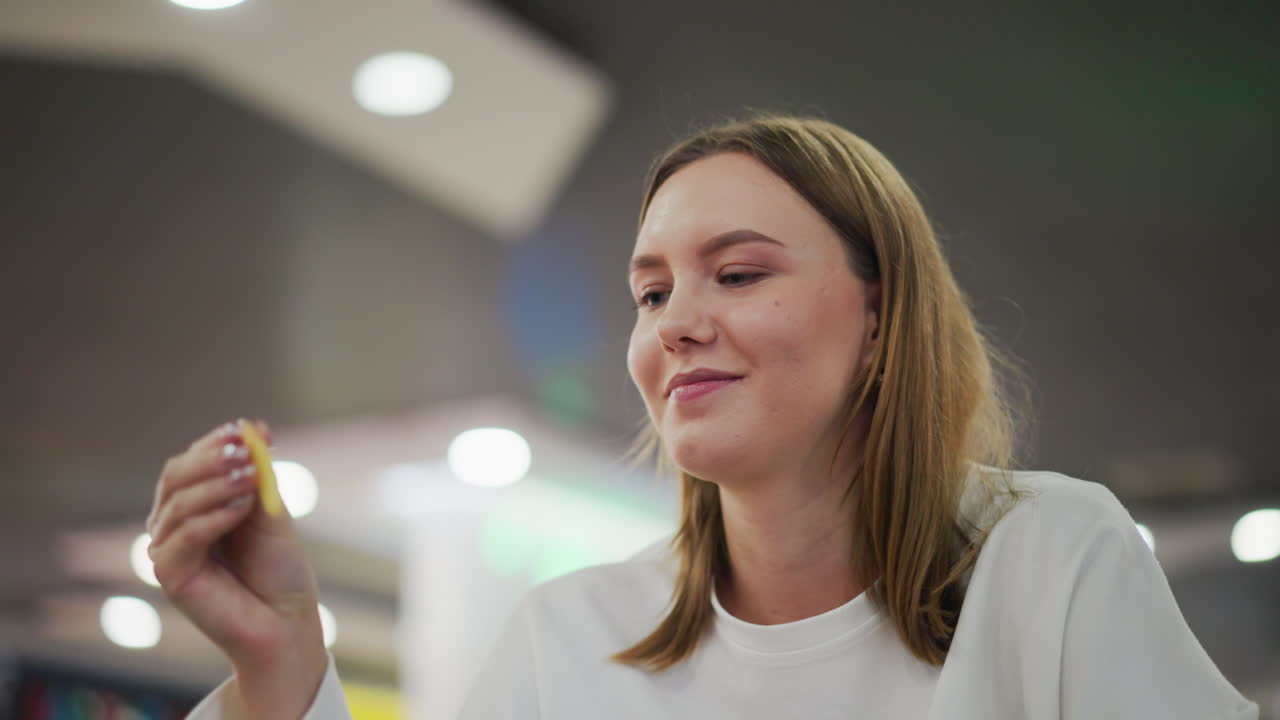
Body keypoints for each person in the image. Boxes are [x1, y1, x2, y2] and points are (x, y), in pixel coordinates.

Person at [150, 114, 1259, 719]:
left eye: (735, 274)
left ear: (880, 319)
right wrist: (279, 664)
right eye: (649, 292)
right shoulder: (572, 637)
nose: (675, 321)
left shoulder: (1051, 559)